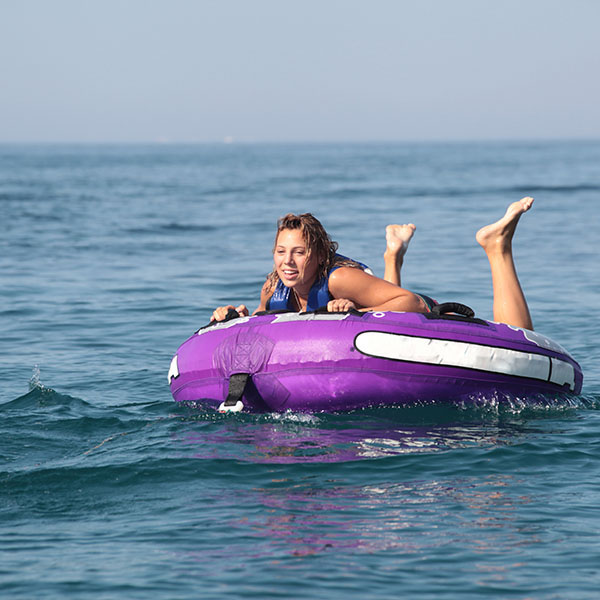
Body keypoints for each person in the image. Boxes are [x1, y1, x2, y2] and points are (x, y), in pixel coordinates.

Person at [211, 197, 535, 331]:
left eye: (299, 252)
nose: (288, 262)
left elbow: (407, 301)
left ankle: (498, 249)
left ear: (319, 256)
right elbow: (264, 322)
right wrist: (236, 317)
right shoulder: (274, 287)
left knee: (518, 335)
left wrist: (353, 311)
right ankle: (394, 254)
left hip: (425, 312)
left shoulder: (339, 280)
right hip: (380, 305)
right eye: (280, 252)